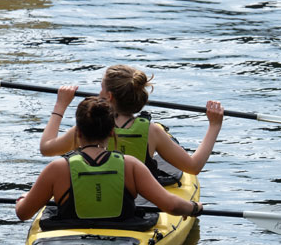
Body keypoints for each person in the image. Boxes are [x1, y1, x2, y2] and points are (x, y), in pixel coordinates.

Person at [16, 97, 202, 222]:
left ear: (78, 132)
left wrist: (23, 198)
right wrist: (194, 208)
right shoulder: (130, 165)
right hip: (125, 233)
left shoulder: (56, 169)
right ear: (112, 133)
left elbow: (23, 214)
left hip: (68, 239)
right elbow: (171, 205)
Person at [39, 64, 224, 176]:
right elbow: (193, 167)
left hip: (97, 198)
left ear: (109, 96)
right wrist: (214, 125)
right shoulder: (152, 131)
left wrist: (60, 106)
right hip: (137, 205)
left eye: (101, 88)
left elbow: (46, 148)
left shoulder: (89, 126)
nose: (98, 92)